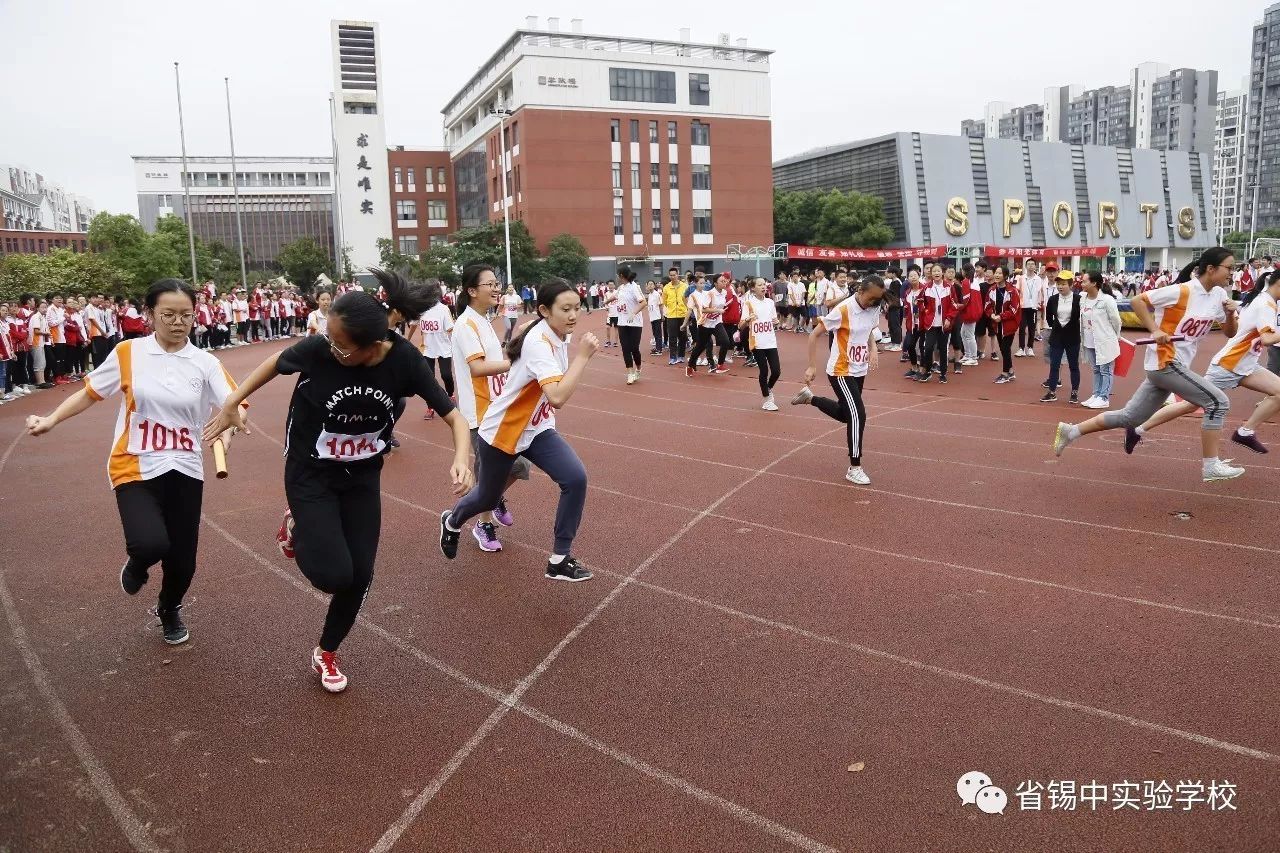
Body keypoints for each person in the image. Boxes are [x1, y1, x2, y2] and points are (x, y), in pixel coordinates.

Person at [203, 268, 472, 693]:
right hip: (311, 472)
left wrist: (462, 458)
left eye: (340, 345)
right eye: (328, 339)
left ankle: (327, 651)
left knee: (360, 574)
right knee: (332, 574)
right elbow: (275, 362)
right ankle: (296, 525)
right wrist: (234, 401)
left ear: (370, 347)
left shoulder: (405, 361)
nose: (330, 346)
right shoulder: (321, 349)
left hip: (363, 475)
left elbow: (454, 416)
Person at [26, 280, 242, 645]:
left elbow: (233, 408)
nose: (178, 322)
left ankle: (168, 607)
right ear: (149, 315)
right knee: (150, 544)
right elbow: (89, 394)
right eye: (168, 314)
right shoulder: (129, 353)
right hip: (134, 462)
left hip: (186, 466)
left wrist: (227, 431)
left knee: (183, 561)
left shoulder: (205, 363)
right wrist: (50, 419)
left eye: (185, 315)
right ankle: (138, 563)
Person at [439, 279, 599, 582]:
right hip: (502, 431)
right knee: (486, 498)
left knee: (575, 478)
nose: (573, 316)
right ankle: (453, 520)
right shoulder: (540, 343)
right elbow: (558, 397)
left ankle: (560, 559)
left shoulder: (556, 334)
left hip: (536, 429)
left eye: (577, 308)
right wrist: (583, 357)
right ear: (543, 310)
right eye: (565, 309)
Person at [1053, 248, 1243, 482]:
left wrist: (1230, 314)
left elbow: (1229, 333)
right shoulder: (1181, 291)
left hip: (1171, 367)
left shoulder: (1218, 296)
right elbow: (1137, 300)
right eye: (1229, 268)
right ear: (1211, 269)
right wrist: (1155, 330)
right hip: (1166, 362)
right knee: (1218, 402)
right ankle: (1211, 466)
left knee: (1130, 417)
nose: (1232, 273)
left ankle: (1071, 431)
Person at [1127, 270, 1280, 454]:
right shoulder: (1265, 304)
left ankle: (1245, 432)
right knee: (1190, 404)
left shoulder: (1265, 300)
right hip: (1228, 365)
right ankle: (1137, 428)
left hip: (1246, 364)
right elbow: (1267, 339)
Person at [450, 264, 529, 552]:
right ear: (472, 291)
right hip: (478, 415)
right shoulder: (466, 324)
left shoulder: (484, 320)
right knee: (502, 470)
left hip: (496, 410)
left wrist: (520, 339)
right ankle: (482, 522)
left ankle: (491, 499)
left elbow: (497, 358)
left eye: (497, 283)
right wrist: (515, 364)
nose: (497, 288)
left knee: (515, 467)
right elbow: (478, 367)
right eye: (490, 284)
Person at [791, 275, 886, 485]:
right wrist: (812, 365)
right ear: (860, 292)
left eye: (877, 300)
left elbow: (870, 328)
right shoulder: (843, 309)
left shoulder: (874, 307)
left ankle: (810, 399)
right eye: (870, 298)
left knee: (846, 414)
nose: (873, 303)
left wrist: (873, 349)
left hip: (859, 369)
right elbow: (813, 335)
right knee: (858, 415)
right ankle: (854, 467)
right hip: (840, 370)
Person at [1079, 272, 1122, 409]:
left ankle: (1104, 398)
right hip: (1089, 340)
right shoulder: (1083, 298)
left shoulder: (1107, 300)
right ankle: (1096, 394)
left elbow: (1116, 320)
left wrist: (1115, 336)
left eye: (1085, 281)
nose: (1082, 283)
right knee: (1096, 369)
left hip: (1104, 340)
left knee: (1105, 369)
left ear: (1094, 283)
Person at [1040, 270, 1083, 403]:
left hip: (1073, 338)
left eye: (1063, 283)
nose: (1060, 286)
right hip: (1057, 337)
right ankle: (1052, 392)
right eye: (1058, 283)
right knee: (1054, 365)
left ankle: (1074, 392)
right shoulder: (1053, 299)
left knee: (1073, 366)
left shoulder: (1079, 299)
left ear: (1071, 285)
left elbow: (1082, 317)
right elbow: (1048, 317)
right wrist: (1058, 327)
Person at [740, 276, 781, 410]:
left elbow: (774, 320)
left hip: (770, 340)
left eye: (764, 284)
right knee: (764, 370)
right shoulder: (749, 303)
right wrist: (747, 319)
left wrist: (776, 322)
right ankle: (767, 399)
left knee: (776, 371)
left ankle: (767, 388)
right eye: (760, 285)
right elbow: (740, 326)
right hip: (756, 342)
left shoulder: (770, 302)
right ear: (753, 288)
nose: (763, 287)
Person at [417, 282, 455, 420]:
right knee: (428, 379)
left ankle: (450, 395)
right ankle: (430, 407)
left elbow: (450, 328)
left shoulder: (444, 309)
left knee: (446, 375)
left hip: (444, 348)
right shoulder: (422, 310)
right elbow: (419, 327)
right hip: (428, 350)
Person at [687, 274, 730, 377]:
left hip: (717, 322)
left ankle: (720, 365)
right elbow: (704, 309)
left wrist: (721, 311)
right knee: (700, 347)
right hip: (705, 324)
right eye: (722, 281)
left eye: (725, 281)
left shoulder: (724, 292)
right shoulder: (710, 294)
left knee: (726, 341)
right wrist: (717, 310)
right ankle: (690, 365)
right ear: (715, 283)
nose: (724, 283)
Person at [986, 266, 1020, 384]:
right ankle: (1010, 371)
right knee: (1003, 348)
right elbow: (988, 306)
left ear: (1005, 276)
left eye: (1000, 273)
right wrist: (992, 316)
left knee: (1005, 347)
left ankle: (1005, 373)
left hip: (1009, 324)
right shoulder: (992, 290)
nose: (997, 275)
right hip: (997, 324)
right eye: (996, 272)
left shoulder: (1012, 291)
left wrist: (1001, 316)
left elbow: (1014, 309)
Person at [615, 265, 646, 385]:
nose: (617, 277)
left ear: (621, 276)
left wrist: (633, 313)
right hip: (622, 322)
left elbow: (643, 302)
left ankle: (638, 368)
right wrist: (607, 301)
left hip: (635, 323)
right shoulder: (620, 288)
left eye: (618, 275)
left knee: (634, 348)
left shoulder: (634, 287)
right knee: (625, 348)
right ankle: (630, 373)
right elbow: (615, 296)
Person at [661, 267, 688, 365]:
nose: (673, 277)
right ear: (669, 276)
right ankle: (673, 357)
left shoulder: (684, 286)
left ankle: (681, 356)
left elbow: (687, 299)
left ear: (678, 275)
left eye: (674, 275)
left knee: (682, 337)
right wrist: (669, 310)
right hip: (671, 315)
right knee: (672, 337)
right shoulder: (666, 288)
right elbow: (664, 302)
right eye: (671, 275)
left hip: (682, 314)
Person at [645, 280, 665, 355]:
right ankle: (657, 347)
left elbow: (660, 305)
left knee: (658, 333)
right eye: (648, 284)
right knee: (655, 333)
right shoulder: (649, 295)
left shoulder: (657, 294)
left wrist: (662, 315)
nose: (650, 286)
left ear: (654, 286)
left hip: (657, 316)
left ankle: (659, 349)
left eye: (651, 284)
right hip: (652, 317)